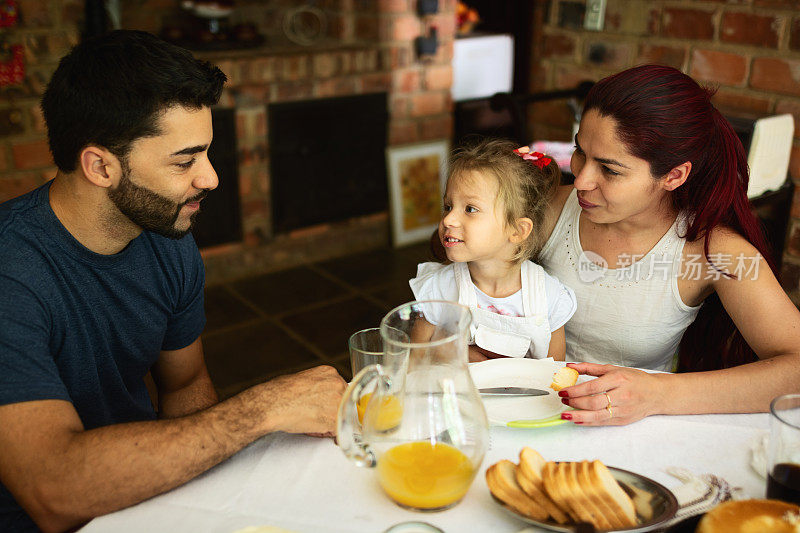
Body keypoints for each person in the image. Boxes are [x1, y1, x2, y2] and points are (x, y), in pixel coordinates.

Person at [0, 30, 345, 533]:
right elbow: (53, 492)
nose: (210, 178)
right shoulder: (12, 274)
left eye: (206, 153)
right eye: (185, 160)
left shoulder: (166, 235)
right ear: (100, 166)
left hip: (141, 496)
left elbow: (184, 385)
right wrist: (260, 411)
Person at [536, 64, 800, 426]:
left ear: (674, 176)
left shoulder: (711, 250)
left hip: (640, 433)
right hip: (529, 410)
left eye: (610, 170)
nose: (581, 180)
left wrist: (658, 393)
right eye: (580, 152)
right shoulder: (546, 209)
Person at [410, 138, 577, 361]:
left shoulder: (549, 298)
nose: (448, 219)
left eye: (470, 209)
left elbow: (555, 377)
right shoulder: (438, 291)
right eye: (448, 206)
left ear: (517, 230)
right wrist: (450, 353)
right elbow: (414, 363)